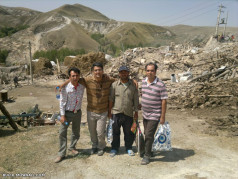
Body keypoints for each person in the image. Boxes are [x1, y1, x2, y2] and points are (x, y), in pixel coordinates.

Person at [59, 62, 115, 156]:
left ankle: (101, 147)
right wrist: (62, 84)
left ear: (103, 70)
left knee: (100, 133)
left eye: (99, 70)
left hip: (102, 112)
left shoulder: (108, 79)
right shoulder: (87, 80)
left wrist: (132, 81)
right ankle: (94, 146)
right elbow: (73, 79)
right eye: (95, 70)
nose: (98, 72)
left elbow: (120, 80)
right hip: (90, 111)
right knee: (92, 132)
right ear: (92, 71)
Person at [54, 67, 85, 163]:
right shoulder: (65, 88)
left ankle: (72, 147)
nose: (75, 78)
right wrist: (62, 116)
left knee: (76, 132)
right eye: (73, 76)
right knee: (62, 133)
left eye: (76, 75)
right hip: (67, 113)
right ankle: (61, 154)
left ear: (79, 76)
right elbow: (62, 102)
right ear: (69, 77)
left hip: (77, 113)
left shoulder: (82, 86)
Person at [140, 62, 168, 165]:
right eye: (148, 70)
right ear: (145, 71)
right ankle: (150, 151)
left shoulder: (160, 84)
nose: (150, 72)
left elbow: (164, 100)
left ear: (155, 72)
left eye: (152, 70)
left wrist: (162, 116)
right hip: (145, 113)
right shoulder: (143, 82)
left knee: (148, 134)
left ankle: (147, 156)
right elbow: (143, 94)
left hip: (155, 114)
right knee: (147, 134)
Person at [108, 66, 139, 157]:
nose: (124, 74)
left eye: (125, 72)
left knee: (128, 132)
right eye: (122, 72)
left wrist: (136, 112)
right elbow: (111, 99)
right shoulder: (114, 85)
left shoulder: (133, 85)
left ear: (128, 73)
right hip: (116, 112)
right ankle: (114, 148)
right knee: (115, 131)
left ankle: (128, 148)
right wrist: (110, 112)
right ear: (119, 73)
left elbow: (135, 100)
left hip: (128, 113)